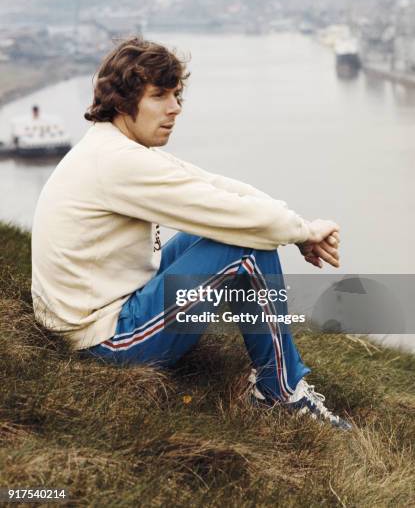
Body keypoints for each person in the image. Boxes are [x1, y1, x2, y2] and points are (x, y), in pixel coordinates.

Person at [31, 37, 351, 431]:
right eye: (159, 95)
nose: (175, 108)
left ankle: (278, 385)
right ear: (121, 101)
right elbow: (233, 212)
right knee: (247, 244)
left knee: (240, 232)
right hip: (103, 343)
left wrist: (298, 226)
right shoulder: (116, 162)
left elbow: (217, 186)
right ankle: (281, 393)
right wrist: (302, 232)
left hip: (105, 309)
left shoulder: (112, 148)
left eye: (177, 94)